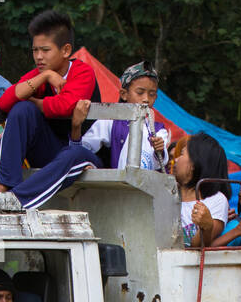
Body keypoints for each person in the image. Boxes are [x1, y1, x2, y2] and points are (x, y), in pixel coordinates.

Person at [9, 60, 167, 209]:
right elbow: (81, 148)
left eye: (152, 94)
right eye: (140, 92)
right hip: (114, 183)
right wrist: (76, 126)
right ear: (124, 94)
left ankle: (16, 199)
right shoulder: (111, 120)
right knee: (75, 154)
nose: (146, 99)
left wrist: (159, 149)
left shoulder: (159, 129)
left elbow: (161, 159)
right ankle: (17, 198)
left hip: (143, 195)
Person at [0, 10, 97, 191]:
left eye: (45, 50)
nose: (39, 56)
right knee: (21, 109)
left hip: (81, 154)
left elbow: (64, 107)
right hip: (49, 151)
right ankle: (2, 185)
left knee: (26, 104)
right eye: (35, 50)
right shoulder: (40, 75)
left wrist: (33, 101)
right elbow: (5, 102)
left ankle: (16, 197)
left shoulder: (83, 72)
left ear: (66, 50)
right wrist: (46, 76)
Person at [171, 133, 231, 247]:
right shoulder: (167, 193)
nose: (176, 159)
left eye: (182, 154)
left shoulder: (216, 200)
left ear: (194, 164)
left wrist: (207, 228)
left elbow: (197, 246)